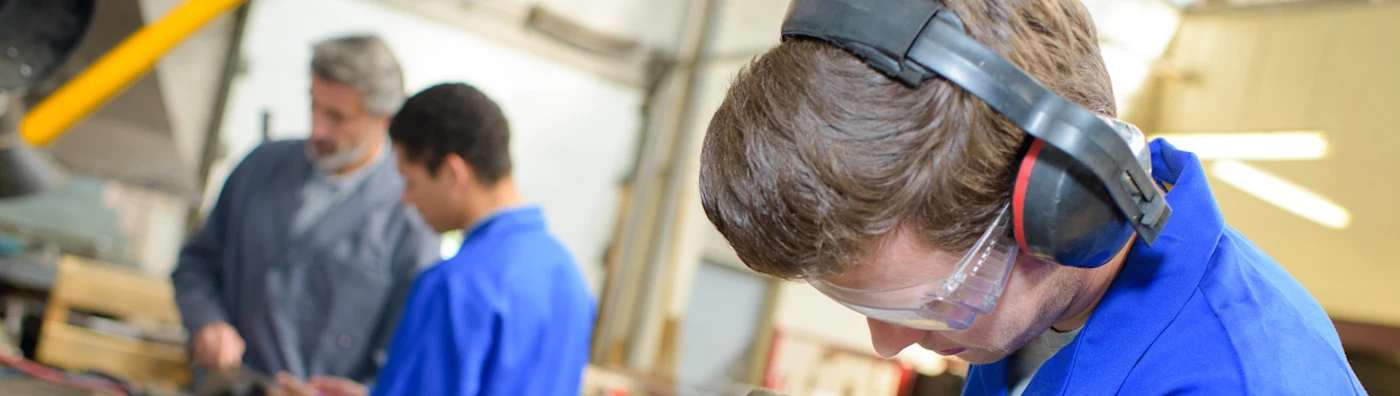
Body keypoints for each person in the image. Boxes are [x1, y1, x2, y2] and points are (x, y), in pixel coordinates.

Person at [696, 0, 1366, 395]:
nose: (888, 345)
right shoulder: (1031, 319)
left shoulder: (1237, 380)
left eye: (928, 305)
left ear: (1069, 205)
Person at [269, 83, 596, 396]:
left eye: (410, 182)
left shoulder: (455, 285)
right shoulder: (569, 276)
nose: (406, 199)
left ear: (453, 173)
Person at [171, 34, 440, 388]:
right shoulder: (260, 167)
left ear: (384, 120)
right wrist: (207, 321)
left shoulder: (412, 219)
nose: (317, 129)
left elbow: (405, 356)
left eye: (337, 116)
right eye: (314, 105)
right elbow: (197, 264)